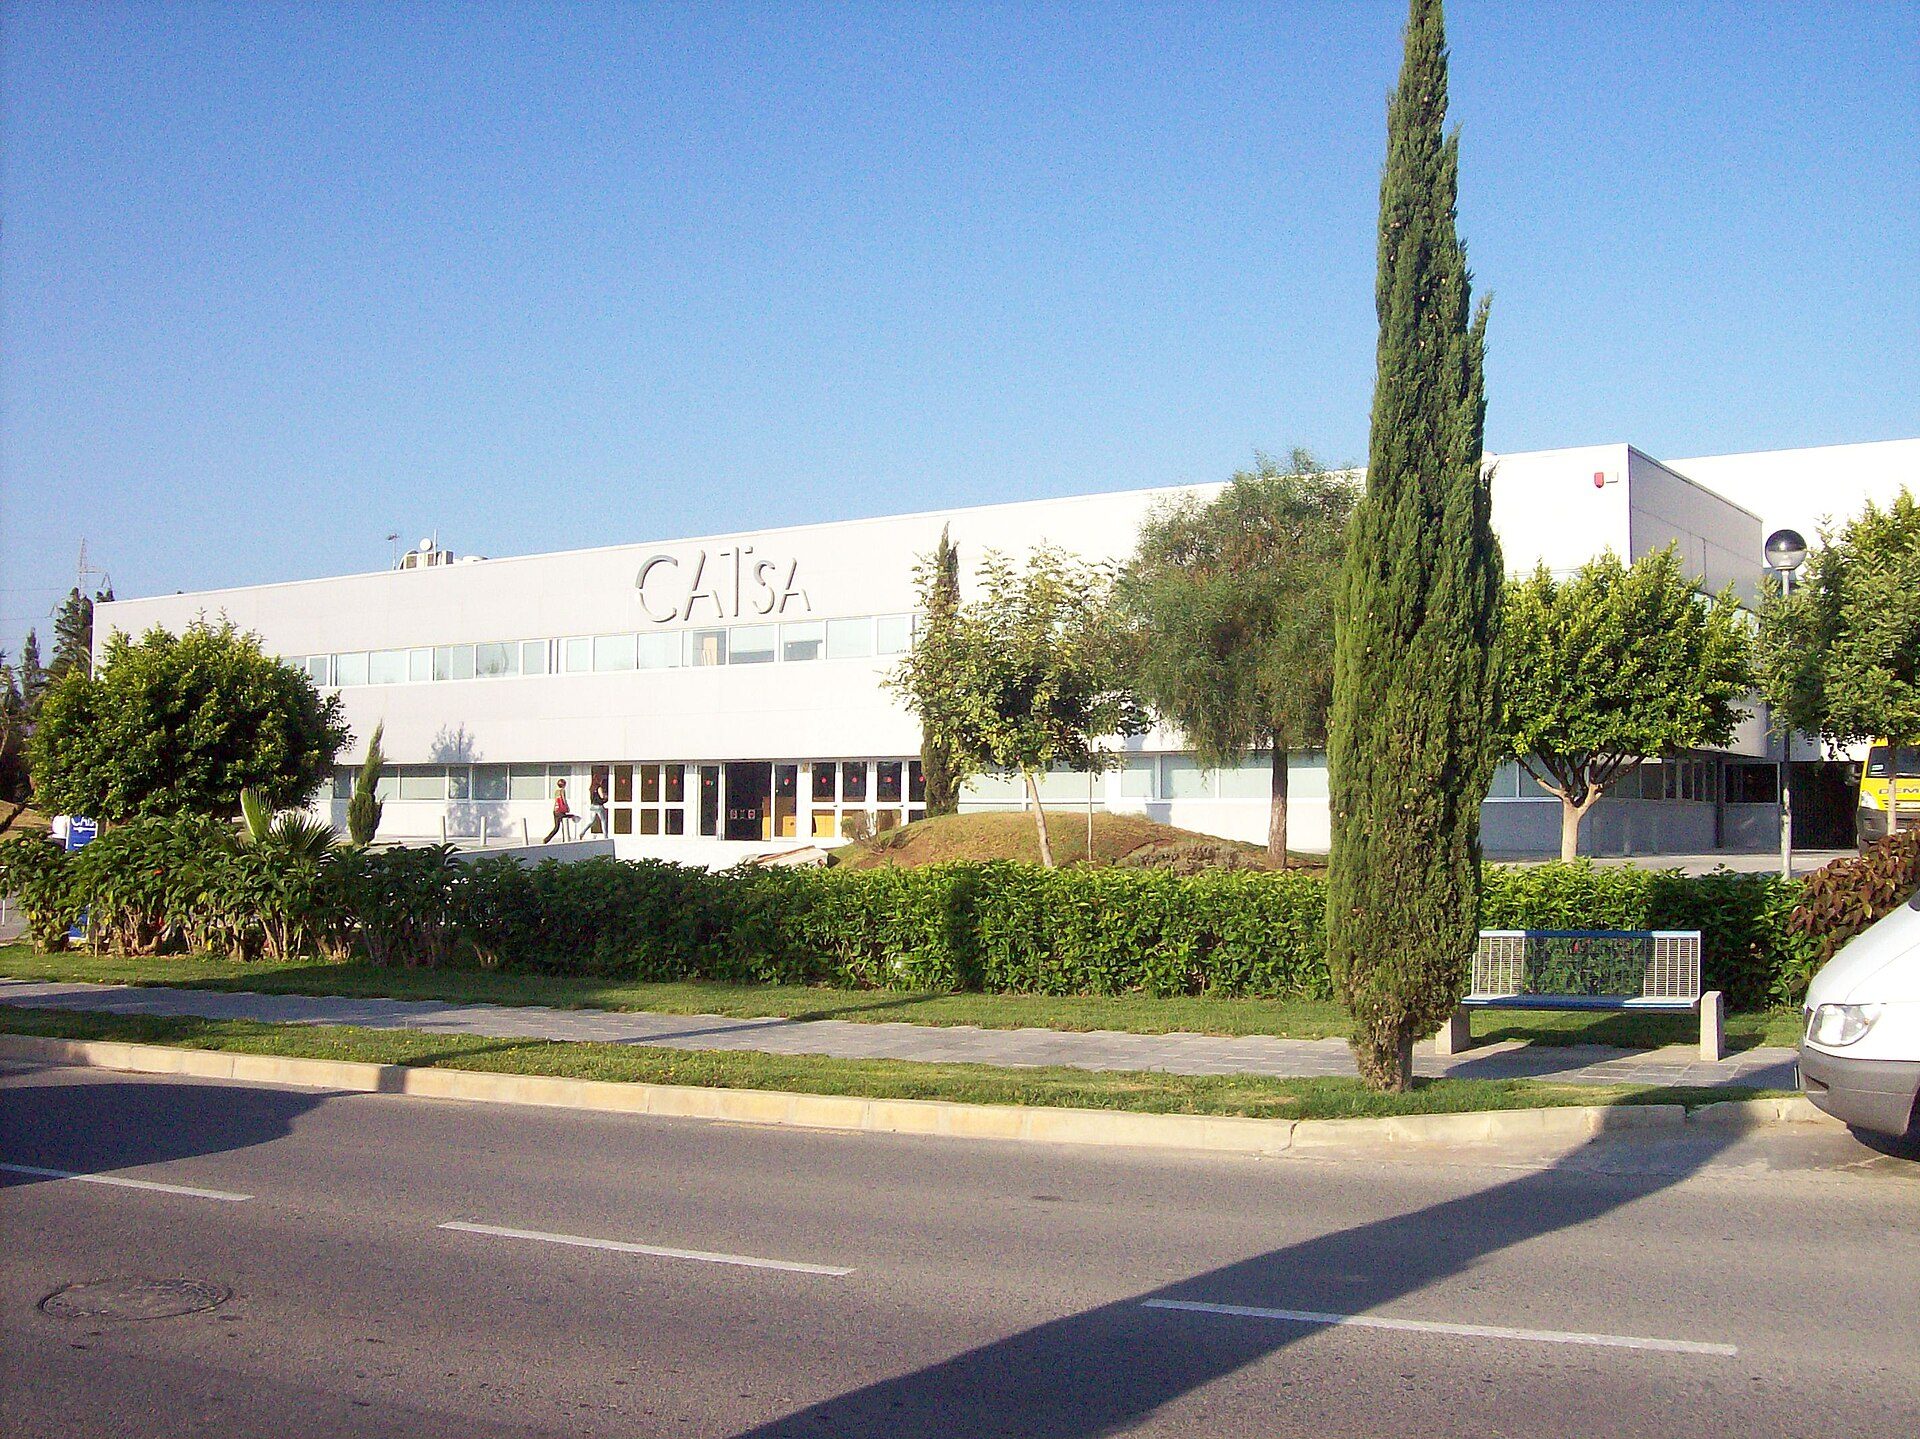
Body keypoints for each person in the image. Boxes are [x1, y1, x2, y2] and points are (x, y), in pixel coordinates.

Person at [543, 779, 574, 843]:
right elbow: (563, 800)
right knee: (565, 823)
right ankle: (565, 838)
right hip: (561, 811)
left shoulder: (556, 791)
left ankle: (547, 839)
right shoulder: (562, 791)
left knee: (556, 827)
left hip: (555, 810)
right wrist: (567, 807)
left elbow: (556, 801)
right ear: (564, 785)